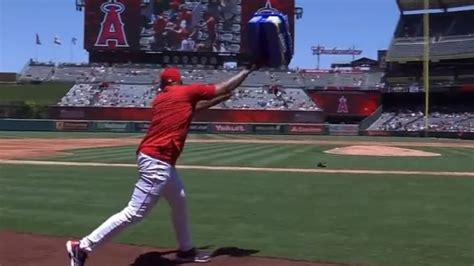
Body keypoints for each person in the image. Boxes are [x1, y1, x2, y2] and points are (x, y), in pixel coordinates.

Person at [66, 66, 256, 266]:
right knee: (134, 213)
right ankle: (83, 246)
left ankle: (186, 249)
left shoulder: (161, 99)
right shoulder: (185, 92)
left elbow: (195, 108)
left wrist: (221, 99)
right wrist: (247, 71)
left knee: (179, 201)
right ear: (178, 81)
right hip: (158, 160)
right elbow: (222, 87)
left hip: (155, 158)